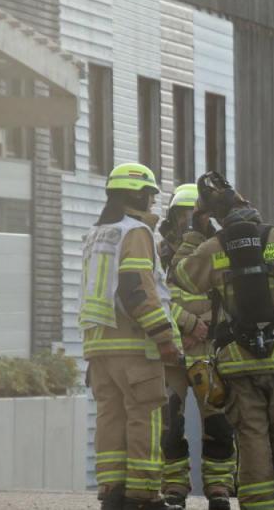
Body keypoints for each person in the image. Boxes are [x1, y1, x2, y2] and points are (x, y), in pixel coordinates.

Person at [169, 172, 274, 510]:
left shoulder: (215, 248)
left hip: (239, 360)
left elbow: (179, 277)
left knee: (251, 438)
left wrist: (193, 231)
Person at [79, 163, 183, 510]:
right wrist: (163, 335)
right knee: (145, 414)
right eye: (150, 195)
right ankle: (143, 496)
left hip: (98, 346)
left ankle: (113, 490)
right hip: (134, 345)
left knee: (110, 416)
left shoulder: (97, 233)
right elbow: (136, 288)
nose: (152, 202)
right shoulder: (135, 231)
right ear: (138, 195)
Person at [158, 183, 235, 510]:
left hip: (209, 350)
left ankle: (218, 487)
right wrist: (188, 325)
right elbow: (155, 300)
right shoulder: (159, 252)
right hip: (172, 352)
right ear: (173, 217)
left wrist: (206, 329)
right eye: (183, 216)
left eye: (195, 216)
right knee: (169, 422)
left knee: (218, 421)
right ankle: (174, 486)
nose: (188, 222)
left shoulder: (220, 251)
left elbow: (230, 299)